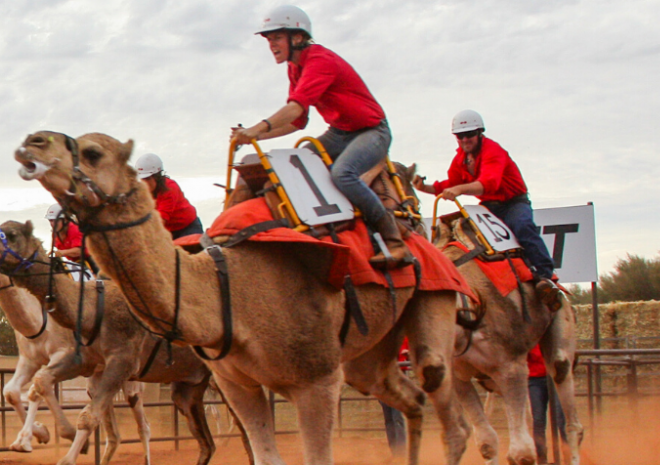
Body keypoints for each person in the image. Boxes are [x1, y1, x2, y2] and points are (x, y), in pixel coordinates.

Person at [229, 5, 406, 264]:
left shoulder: (320, 60)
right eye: (269, 40)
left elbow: (295, 108)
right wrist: (255, 138)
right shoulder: (294, 68)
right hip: (339, 132)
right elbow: (298, 122)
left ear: (297, 37)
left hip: (372, 131)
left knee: (343, 174)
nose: (272, 45)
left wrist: (256, 128)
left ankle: (394, 241)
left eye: (277, 37)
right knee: (290, 166)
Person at [415, 110, 559, 298]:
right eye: (460, 135)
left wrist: (459, 190)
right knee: (464, 236)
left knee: (523, 227)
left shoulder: (493, 151)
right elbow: (451, 183)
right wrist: (424, 187)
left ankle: (546, 277)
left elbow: (489, 183)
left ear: (480, 133)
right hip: (489, 207)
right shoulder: (461, 159)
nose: (465, 139)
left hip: (513, 203)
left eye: (470, 134)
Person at [134, 153, 203, 238]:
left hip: (187, 228)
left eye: (148, 179)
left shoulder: (170, 188)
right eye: (142, 179)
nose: (145, 183)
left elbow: (160, 220)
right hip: (167, 230)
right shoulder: (141, 191)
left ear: (157, 177)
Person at [525, 345, 566, 462]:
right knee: (538, 419)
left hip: (556, 378)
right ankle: (541, 456)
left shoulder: (555, 334)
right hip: (535, 379)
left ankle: (568, 454)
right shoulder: (530, 336)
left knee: (561, 418)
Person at [47, 204, 96, 275]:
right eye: (50, 221)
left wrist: (62, 252)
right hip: (74, 263)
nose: (52, 224)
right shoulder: (54, 234)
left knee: (100, 277)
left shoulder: (75, 229)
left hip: (90, 259)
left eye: (55, 221)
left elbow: (80, 251)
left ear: (65, 220)